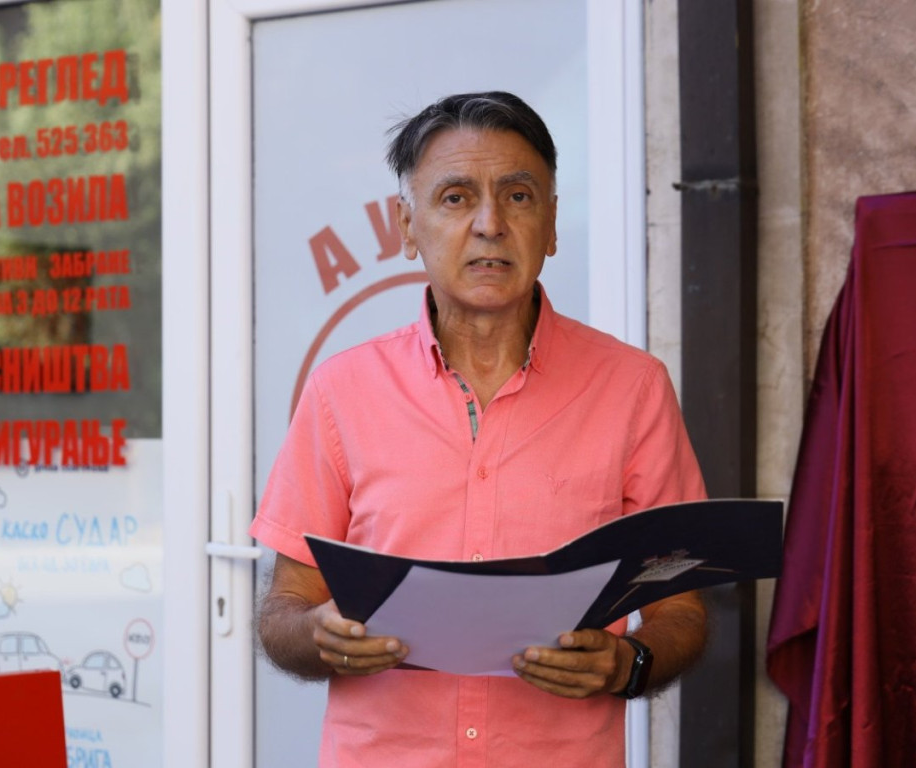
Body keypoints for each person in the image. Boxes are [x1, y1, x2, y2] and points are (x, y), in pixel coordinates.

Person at [250, 91, 708, 767]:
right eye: (456, 198)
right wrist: (320, 634)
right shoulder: (341, 391)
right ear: (408, 226)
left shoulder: (633, 389)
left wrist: (628, 663)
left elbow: (683, 610)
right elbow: (285, 609)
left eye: (518, 197)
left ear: (551, 225)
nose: (490, 224)